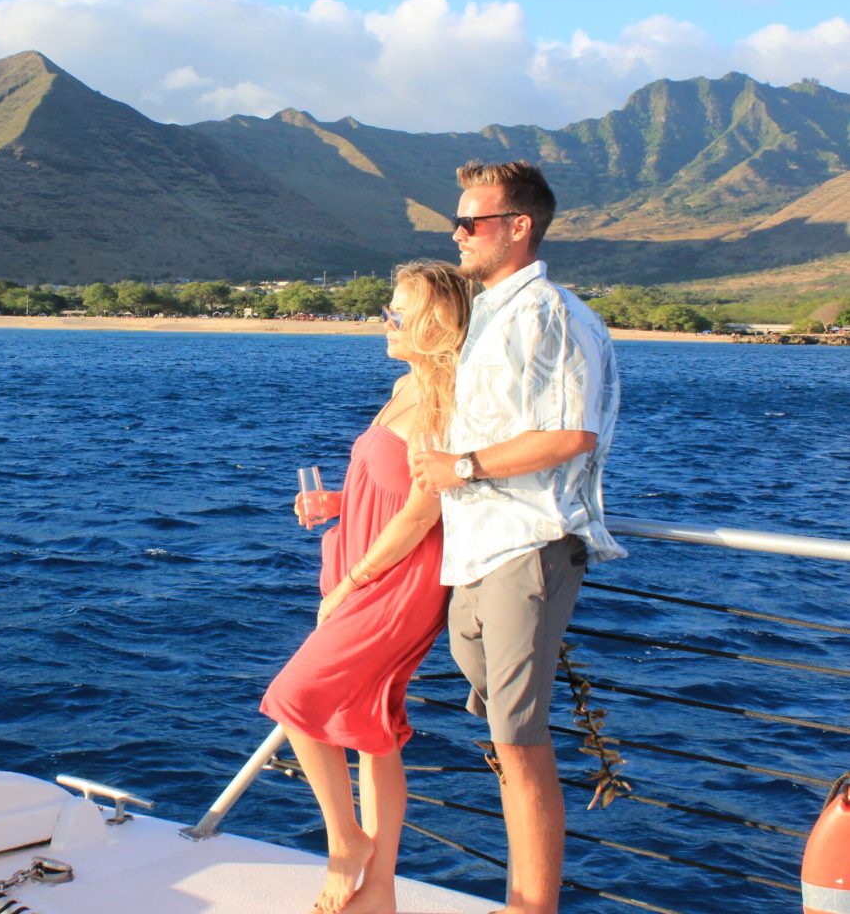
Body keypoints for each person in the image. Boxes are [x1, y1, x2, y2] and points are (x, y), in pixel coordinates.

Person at [409, 160, 623, 914]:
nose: (457, 233)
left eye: (471, 221)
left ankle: (532, 907)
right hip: (477, 546)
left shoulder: (550, 315)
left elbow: (569, 434)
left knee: (518, 738)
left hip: (526, 543)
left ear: (518, 226)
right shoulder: (491, 314)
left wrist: (460, 466)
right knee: (503, 728)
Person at [262, 260, 474, 914]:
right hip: (361, 554)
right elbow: (383, 484)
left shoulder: (446, 400)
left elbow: (421, 510)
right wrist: (334, 503)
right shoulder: (404, 384)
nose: (385, 319)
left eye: (396, 311)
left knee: (293, 695)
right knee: (372, 730)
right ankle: (377, 891)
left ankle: (344, 843)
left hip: (394, 578)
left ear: (433, 321)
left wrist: (353, 582)